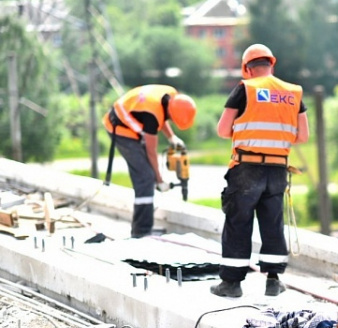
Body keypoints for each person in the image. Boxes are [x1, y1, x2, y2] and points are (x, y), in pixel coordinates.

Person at [210, 44, 310, 298]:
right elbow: (303, 136)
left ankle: (231, 284)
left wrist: (248, 134)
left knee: (238, 222)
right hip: (277, 169)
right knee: (272, 223)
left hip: (246, 168)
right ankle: (274, 281)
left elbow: (223, 130)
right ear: (271, 65)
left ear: (246, 68)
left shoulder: (246, 88)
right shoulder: (293, 92)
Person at [102, 85, 196, 238]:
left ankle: (142, 227)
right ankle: (141, 231)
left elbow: (162, 115)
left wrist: (171, 137)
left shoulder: (170, 96)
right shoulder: (152, 115)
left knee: (147, 176)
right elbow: (151, 152)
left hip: (130, 115)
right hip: (119, 127)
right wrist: (159, 180)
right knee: (145, 177)